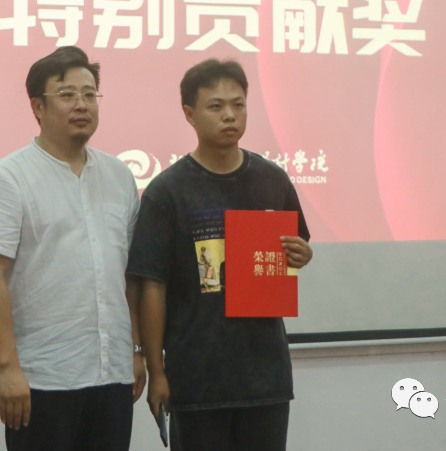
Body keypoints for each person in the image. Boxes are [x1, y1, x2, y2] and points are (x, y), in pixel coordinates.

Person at [127, 58, 312, 451]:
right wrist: (156, 370)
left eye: (238, 104)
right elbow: (152, 288)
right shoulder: (167, 192)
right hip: (197, 378)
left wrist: (301, 255)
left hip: (265, 376)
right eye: (216, 106)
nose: (230, 115)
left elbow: (294, 251)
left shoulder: (272, 180)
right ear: (189, 114)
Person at [0, 46, 145, 451]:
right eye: (67, 95)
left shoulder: (119, 176)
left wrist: (136, 351)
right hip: (42, 380)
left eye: (90, 94)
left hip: (113, 375)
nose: (82, 104)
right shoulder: (7, 179)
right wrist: (7, 368)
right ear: (38, 106)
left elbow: (129, 276)